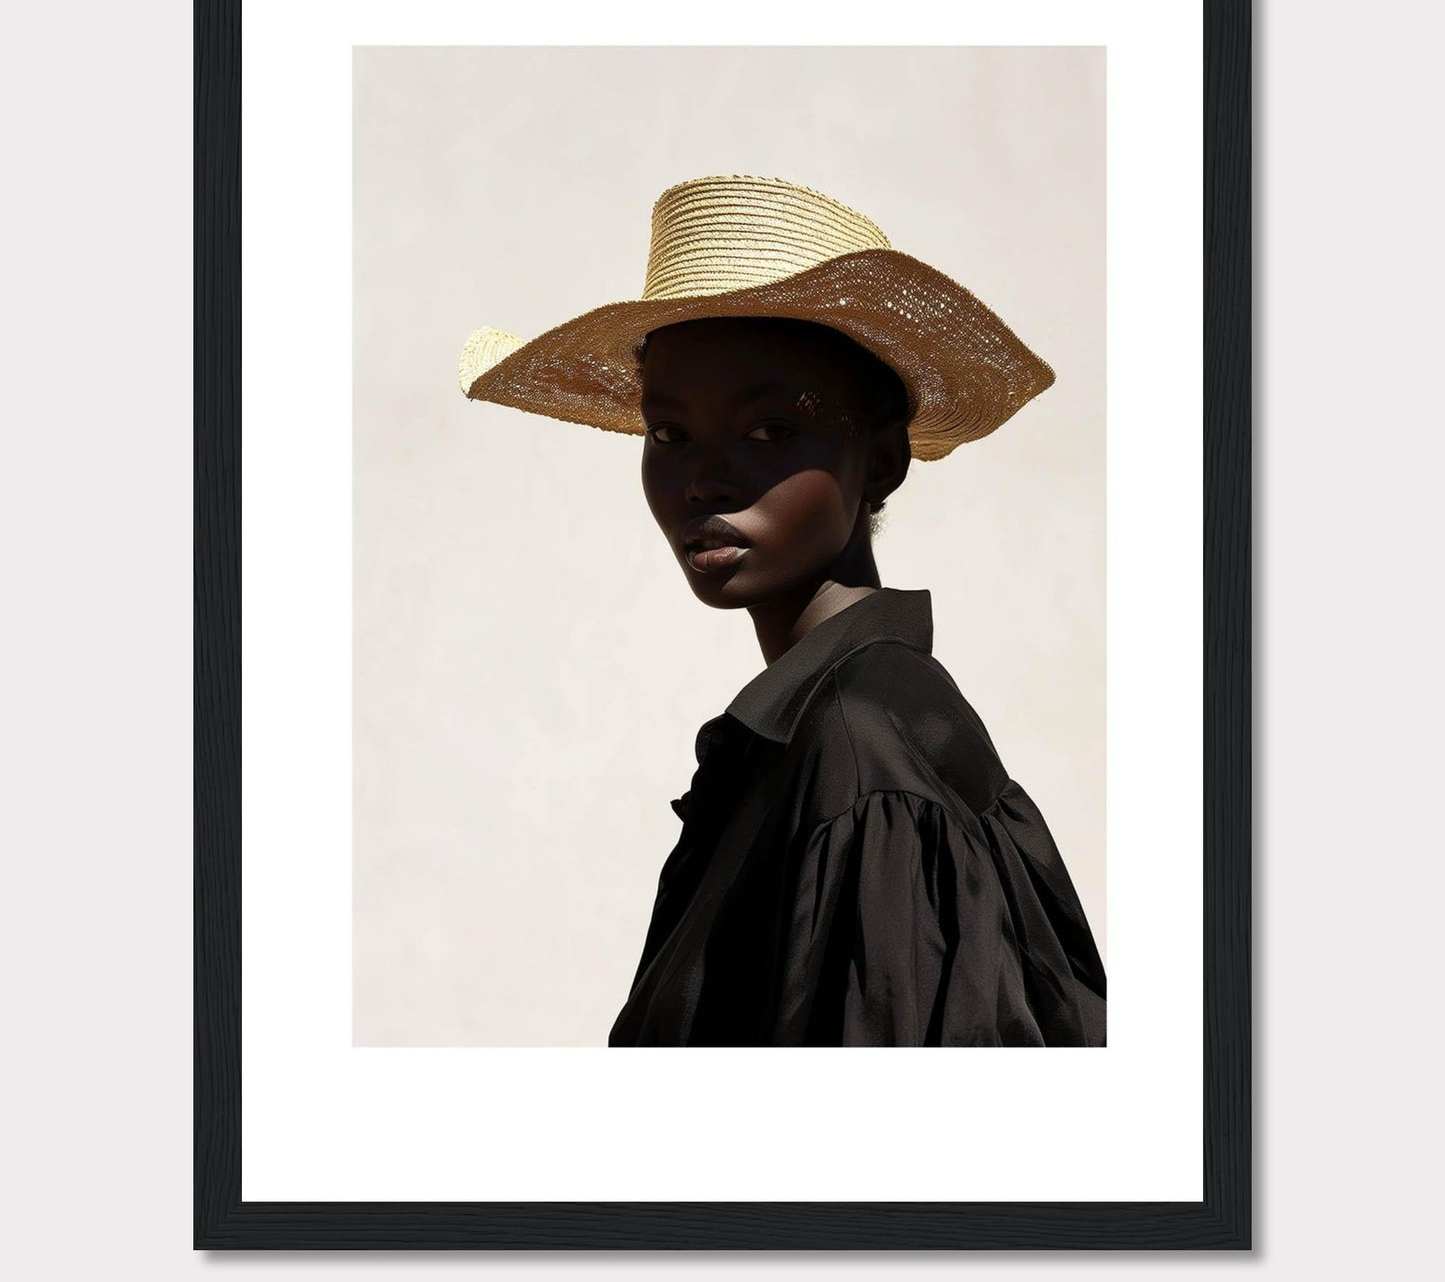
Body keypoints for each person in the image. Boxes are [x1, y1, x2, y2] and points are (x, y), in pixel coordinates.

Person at [459, 174, 1106, 1046]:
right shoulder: (823, 730)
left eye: (767, 431)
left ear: (879, 462)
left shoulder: (862, 749)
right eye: (667, 433)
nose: (703, 480)